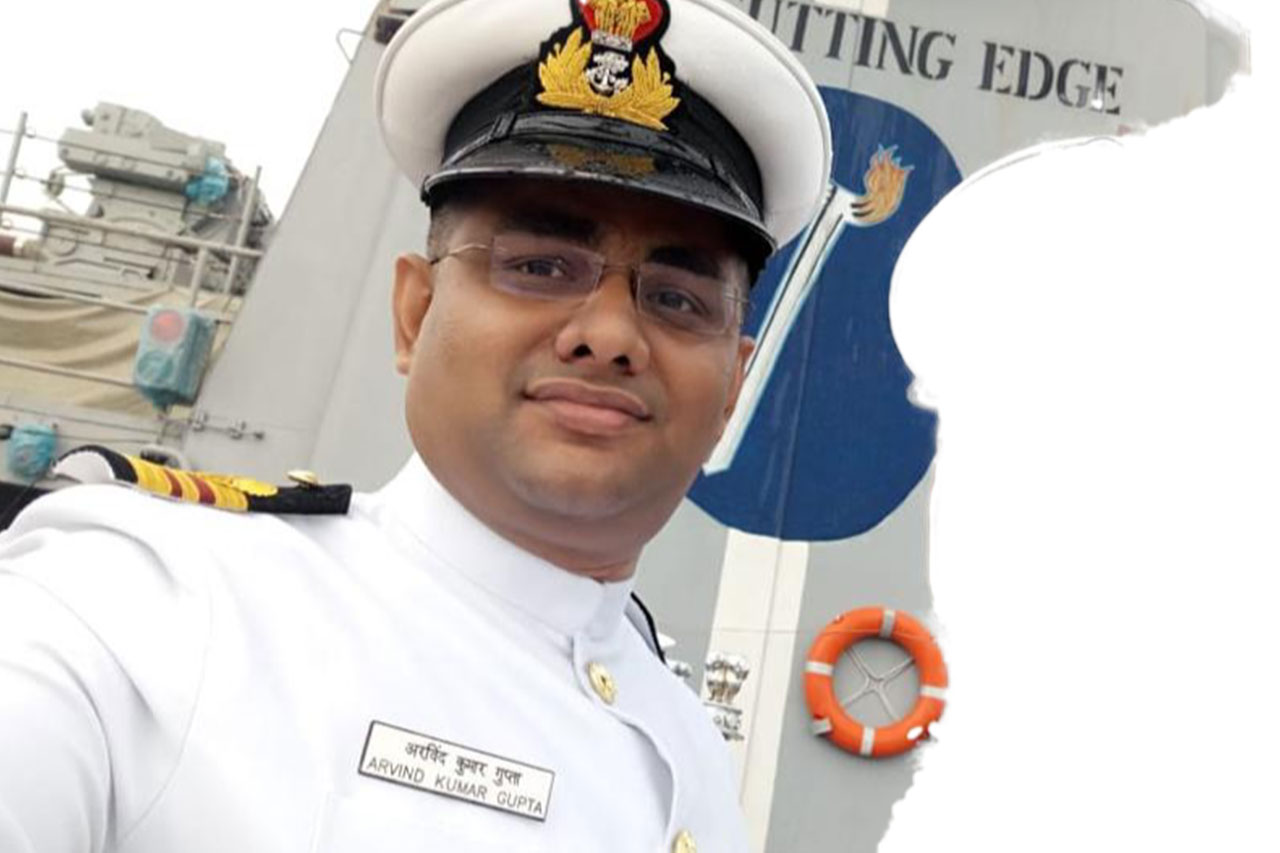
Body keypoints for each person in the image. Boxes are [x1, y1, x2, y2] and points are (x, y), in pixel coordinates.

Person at [0, 0, 830, 850]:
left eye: (678, 299)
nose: (612, 334)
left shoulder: (686, 741)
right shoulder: (150, 607)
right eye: (541, 266)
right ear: (414, 313)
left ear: (731, 388)